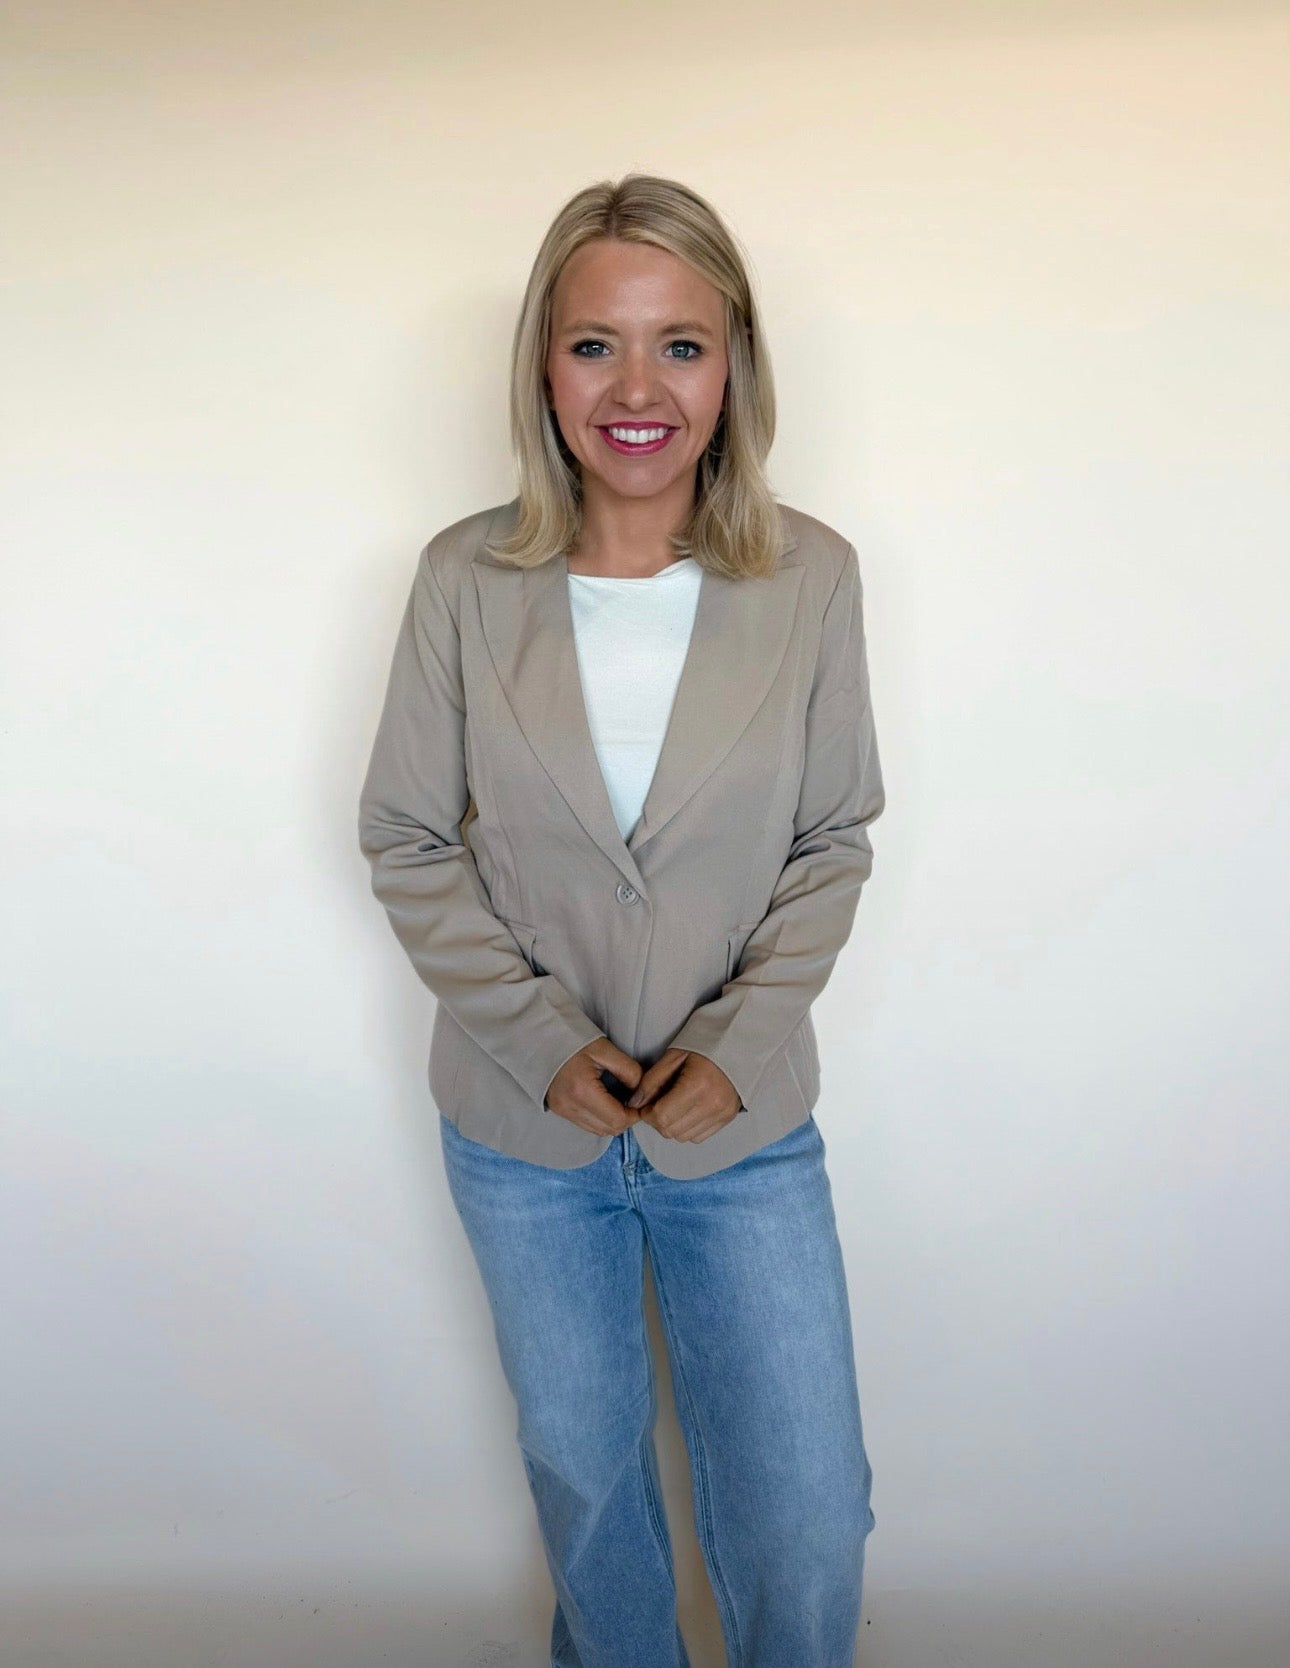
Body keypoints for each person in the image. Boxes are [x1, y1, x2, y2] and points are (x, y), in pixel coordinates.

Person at [358, 173, 885, 1668]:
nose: (637, 388)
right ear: (542, 364)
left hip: (742, 1128)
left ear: (734, 368)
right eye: (595, 344)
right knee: (590, 1491)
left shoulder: (811, 580)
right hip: (526, 1142)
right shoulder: (465, 581)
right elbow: (402, 834)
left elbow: (832, 836)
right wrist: (537, 1039)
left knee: (806, 1516)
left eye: (681, 344)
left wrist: (741, 1039)